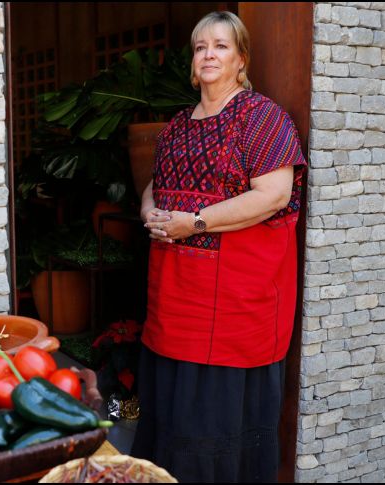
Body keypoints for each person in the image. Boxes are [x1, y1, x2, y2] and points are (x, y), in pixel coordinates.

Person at [130, 11, 307, 483]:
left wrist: (197, 222)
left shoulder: (262, 118)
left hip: (233, 304)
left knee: (213, 424)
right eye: (201, 47)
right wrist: (150, 210)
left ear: (241, 59)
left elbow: (274, 195)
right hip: (173, 299)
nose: (209, 54)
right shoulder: (176, 127)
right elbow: (155, 185)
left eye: (221, 46)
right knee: (169, 415)